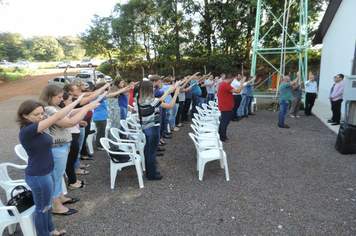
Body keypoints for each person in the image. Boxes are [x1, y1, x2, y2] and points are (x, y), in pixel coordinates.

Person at [17, 97, 87, 235]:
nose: (40, 117)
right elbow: (58, 116)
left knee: (47, 206)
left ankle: (51, 230)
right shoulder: (29, 130)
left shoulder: (38, 126)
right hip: (38, 175)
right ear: (25, 115)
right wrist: (78, 101)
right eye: (36, 114)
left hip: (47, 171)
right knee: (42, 208)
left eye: (42, 113)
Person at [39, 85, 100, 215]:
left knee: (59, 175)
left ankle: (60, 197)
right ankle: (56, 206)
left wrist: (83, 107)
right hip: (57, 148)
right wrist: (86, 108)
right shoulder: (49, 109)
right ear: (50, 96)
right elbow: (70, 122)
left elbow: (70, 112)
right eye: (59, 97)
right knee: (55, 177)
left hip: (61, 146)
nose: (62, 100)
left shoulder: (54, 108)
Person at [137, 80, 183, 180]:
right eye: (152, 87)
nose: (154, 88)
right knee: (152, 153)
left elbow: (161, 98)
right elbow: (170, 105)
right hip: (153, 128)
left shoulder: (141, 98)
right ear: (149, 89)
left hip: (146, 128)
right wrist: (175, 95)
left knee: (148, 150)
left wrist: (171, 89)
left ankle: (149, 172)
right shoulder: (151, 100)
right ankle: (152, 175)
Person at [92, 82, 136, 150]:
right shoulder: (97, 97)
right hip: (99, 117)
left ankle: (101, 144)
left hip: (102, 116)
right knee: (100, 132)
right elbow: (109, 95)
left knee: (102, 131)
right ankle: (99, 145)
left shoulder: (100, 97)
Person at [217, 73, 246, 144]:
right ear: (229, 78)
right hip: (226, 107)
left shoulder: (223, 84)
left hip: (225, 106)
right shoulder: (225, 85)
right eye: (232, 79)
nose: (232, 81)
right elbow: (238, 91)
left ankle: (222, 136)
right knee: (224, 122)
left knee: (224, 122)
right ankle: (223, 138)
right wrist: (242, 82)